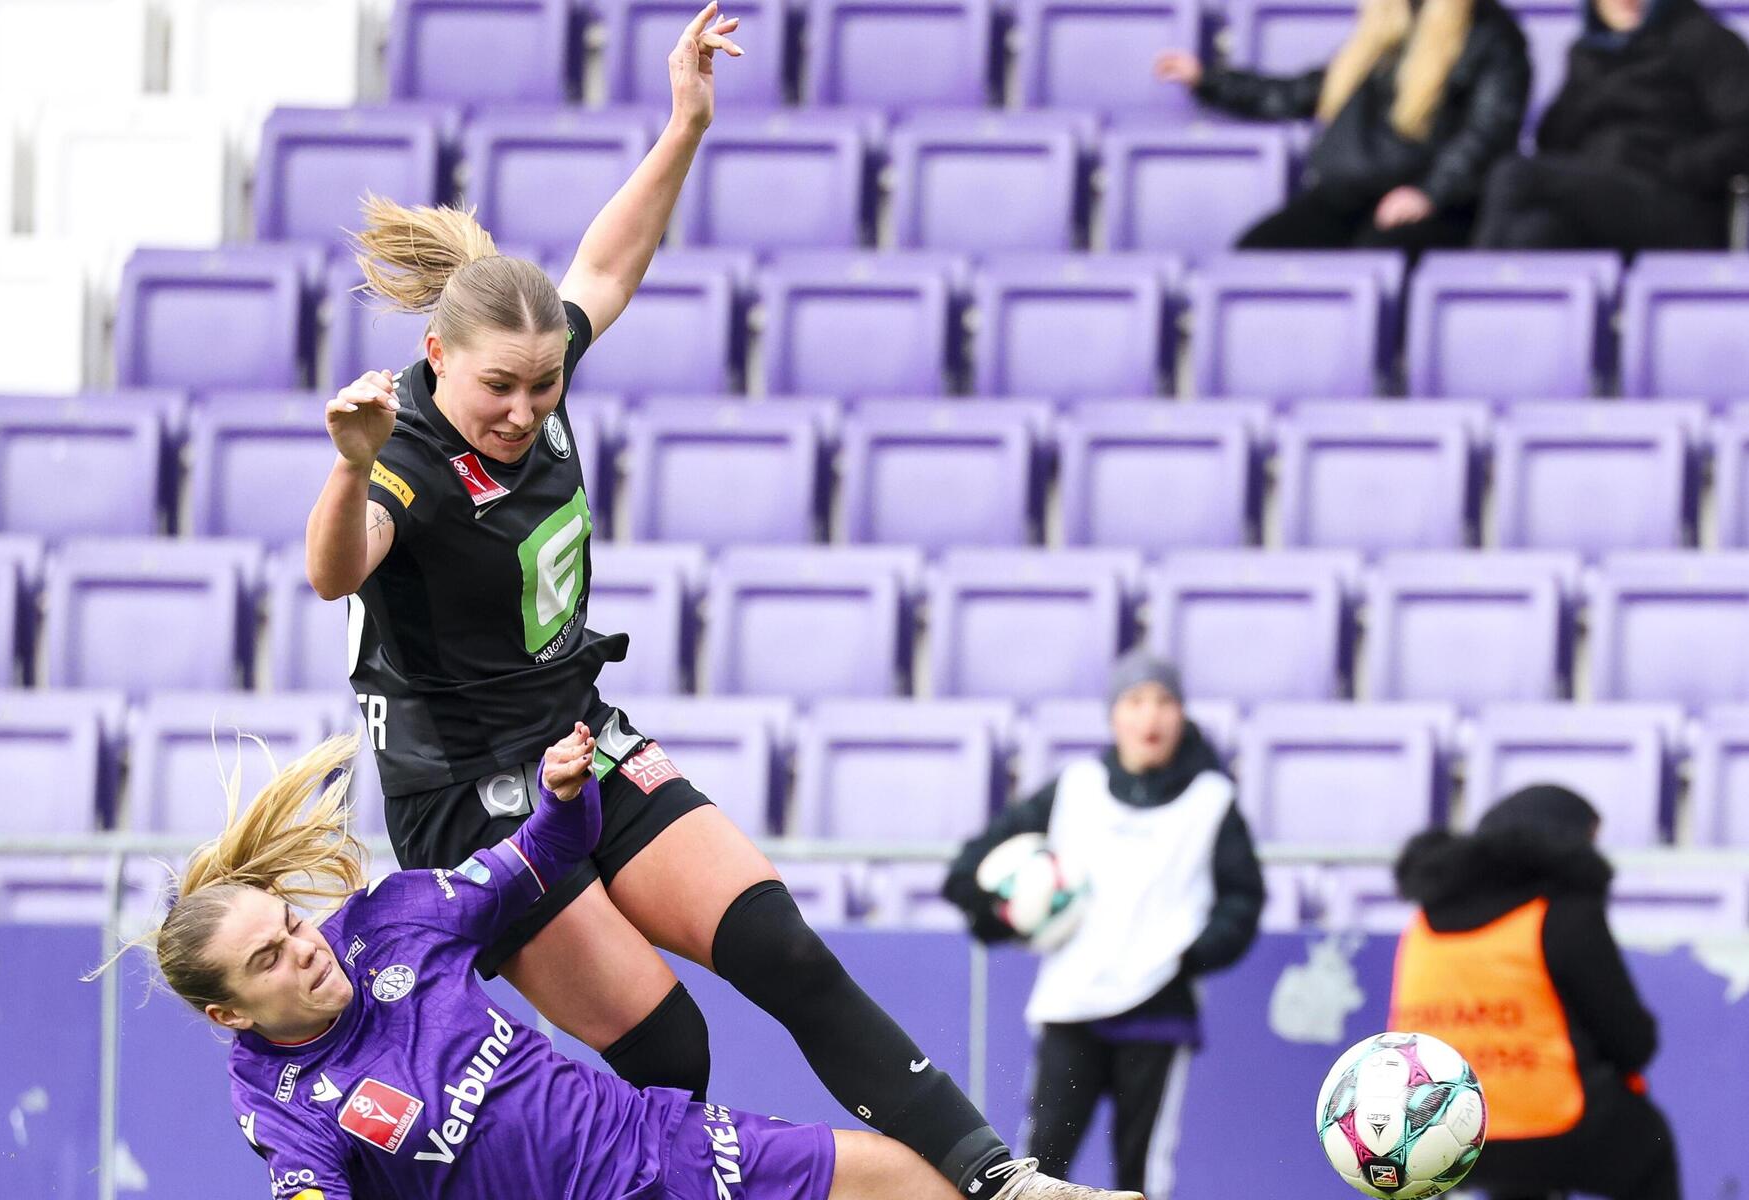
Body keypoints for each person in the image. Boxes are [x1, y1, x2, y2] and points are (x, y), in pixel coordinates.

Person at [303, 9, 1115, 1197]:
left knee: (785, 951)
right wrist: (344, 458)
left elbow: (608, 264)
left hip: (580, 738)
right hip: (472, 805)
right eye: (499, 388)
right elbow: (335, 570)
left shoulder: (539, 368)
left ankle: (1000, 1181)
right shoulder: (408, 454)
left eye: (545, 382)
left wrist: (683, 123)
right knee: (670, 1052)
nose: (526, 409)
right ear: (435, 356)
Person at [106, 726, 1074, 1200]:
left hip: (663, 1148)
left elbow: (536, 860)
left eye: (292, 923)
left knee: (907, 1180)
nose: (305, 950)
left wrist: (564, 797)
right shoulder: (281, 1104)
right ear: (230, 1014)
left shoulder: (390, 923)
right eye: (271, 959)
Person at [942, 650, 1266, 1199]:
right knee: (1038, 1169)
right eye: (1135, 701)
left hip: (1158, 1012)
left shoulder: (1212, 801)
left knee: (1145, 1174)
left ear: (1182, 715)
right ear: (1114, 715)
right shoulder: (1076, 787)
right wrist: (1005, 916)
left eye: (1165, 702)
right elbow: (970, 870)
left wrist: (1190, 956)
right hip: (1070, 1007)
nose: (1151, 717)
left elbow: (1243, 900)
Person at [1389, 784, 1678, 1200]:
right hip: (1549, 1130)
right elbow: (1631, 1042)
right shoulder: (1560, 912)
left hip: (1432, 1138)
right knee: (1648, 1146)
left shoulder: (1420, 926)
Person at [1153, 0, 1529, 253]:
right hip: (1348, 197)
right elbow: (1299, 92)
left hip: (1432, 204)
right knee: (1258, 249)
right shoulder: (1381, 33)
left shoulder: (1491, 35)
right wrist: (1209, 81)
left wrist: (1428, 194)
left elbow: (1488, 132)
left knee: (1376, 254)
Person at [1472, 0, 1749, 250]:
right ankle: (1484, 302)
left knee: (1513, 175)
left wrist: (1681, 165)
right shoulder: (1589, 53)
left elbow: (1742, 132)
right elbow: (1552, 141)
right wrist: (1586, 88)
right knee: (1536, 233)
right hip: (1604, 195)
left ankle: (1473, 287)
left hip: (1678, 204)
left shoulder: (1703, 39)